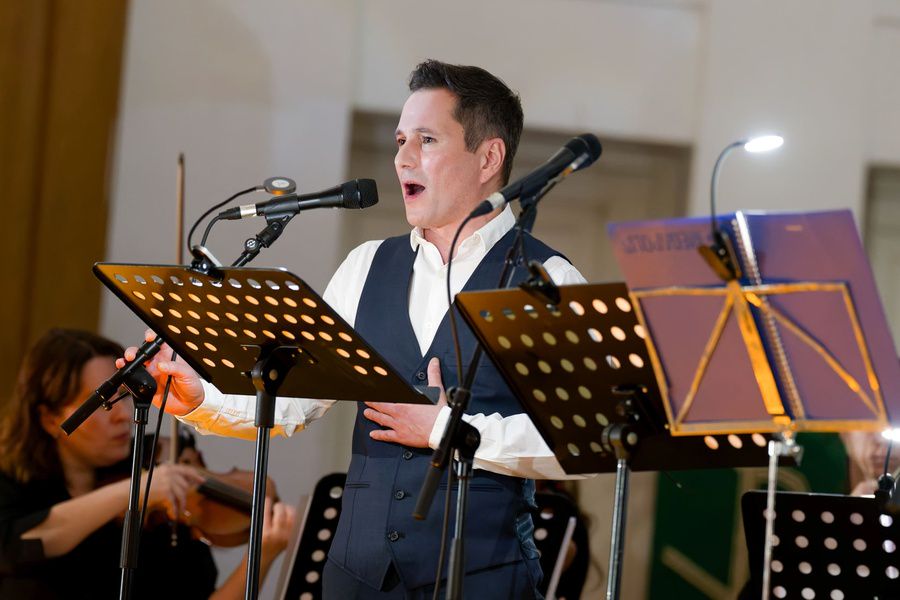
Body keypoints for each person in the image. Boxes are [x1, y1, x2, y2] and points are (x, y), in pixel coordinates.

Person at [123, 59, 587, 599]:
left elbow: (581, 442)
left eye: (427, 140)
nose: (403, 158)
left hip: (482, 578)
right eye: (400, 141)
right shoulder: (366, 265)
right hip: (357, 576)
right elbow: (293, 397)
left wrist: (448, 430)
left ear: (488, 157)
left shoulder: (548, 279)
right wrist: (200, 397)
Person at [0, 328, 296, 599]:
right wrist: (136, 490)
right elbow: (14, 547)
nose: (123, 416)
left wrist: (261, 556)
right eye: (104, 403)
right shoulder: (12, 485)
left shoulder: (162, 503)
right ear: (49, 418)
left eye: (124, 397)